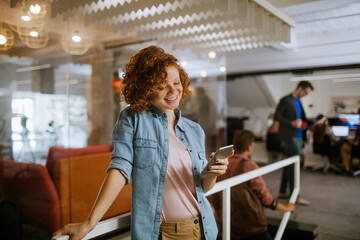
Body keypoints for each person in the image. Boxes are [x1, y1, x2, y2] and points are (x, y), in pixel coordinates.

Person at [53, 46, 233, 240]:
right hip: (160, 234)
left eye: (176, 82)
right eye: (162, 85)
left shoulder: (195, 130)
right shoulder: (132, 119)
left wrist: (214, 172)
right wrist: (89, 224)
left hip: (202, 229)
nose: (173, 90)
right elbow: (119, 169)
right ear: (146, 88)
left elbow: (202, 188)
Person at [209, 130, 295, 240]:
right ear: (250, 147)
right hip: (251, 227)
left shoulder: (222, 165)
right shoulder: (249, 165)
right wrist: (286, 208)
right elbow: (265, 198)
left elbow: (213, 198)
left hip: (227, 226)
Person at [274, 81, 314, 205]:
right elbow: (277, 117)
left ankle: (282, 191)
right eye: (306, 92)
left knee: (289, 165)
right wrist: (291, 123)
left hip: (298, 136)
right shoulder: (285, 100)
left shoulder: (298, 102)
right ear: (300, 88)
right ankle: (294, 196)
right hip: (289, 137)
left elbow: (303, 118)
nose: (306, 95)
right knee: (294, 167)